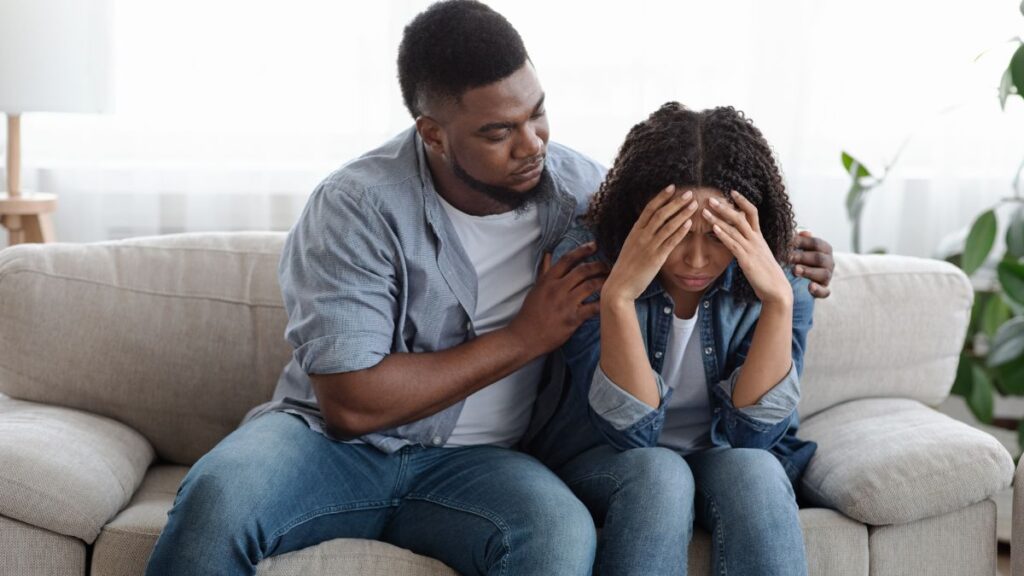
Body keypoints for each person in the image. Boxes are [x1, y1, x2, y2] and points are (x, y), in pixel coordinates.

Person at [146, 2, 834, 575]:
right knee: (218, 499)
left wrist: (790, 249)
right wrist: (525, 337)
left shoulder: (580, 193)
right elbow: (350, 407)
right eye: (499, 132)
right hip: (331, 448)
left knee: (559, 538)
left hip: (487, 465)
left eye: (538, 113)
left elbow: (688, 207)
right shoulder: (356, 205)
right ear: (434, 135)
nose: (532, 143)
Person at [528, 102, 818, 575]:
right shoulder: (586, 263)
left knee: (756, 471)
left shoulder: (784, 276)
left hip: (725, 458)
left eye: (718, 236)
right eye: (676, 233)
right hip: (607, 460)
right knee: (659, 471)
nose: (697, 260)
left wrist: (779, 303)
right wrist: (620, 297)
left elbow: (755, 435)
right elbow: (630, 433)